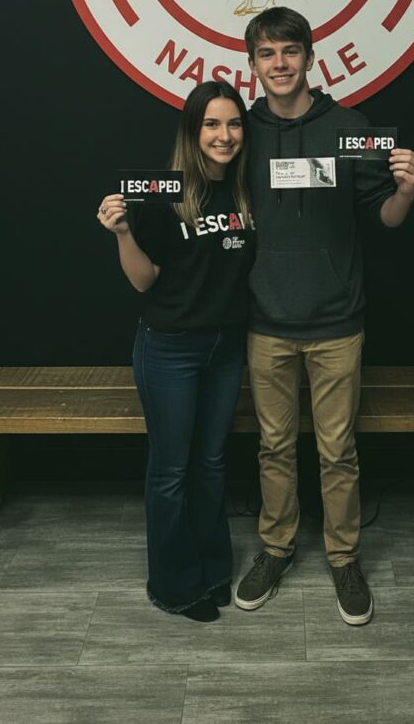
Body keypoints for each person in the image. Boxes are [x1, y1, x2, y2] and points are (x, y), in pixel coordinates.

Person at [234, 7, 414, 626]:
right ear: (254, 64)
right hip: (266, 319)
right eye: (267, 54)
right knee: (273, 447)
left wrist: (406, 190)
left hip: (338, 321)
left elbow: (385, 220)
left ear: (310, 57)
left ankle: (344, 558)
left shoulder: (350, 128)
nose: (279, 64)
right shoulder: (242, 131)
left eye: (289, 51)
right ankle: (275, 549)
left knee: (339, 451)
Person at [97, 81, 255, 623]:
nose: (224, 134)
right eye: (211, 124)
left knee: (211, 465)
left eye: (233, 123)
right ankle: (171, 584)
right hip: (169, 347)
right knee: (171, 471)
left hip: (226, 346)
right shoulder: (166, 193)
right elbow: (144, 282)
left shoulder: (245, 190)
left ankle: (211, 571)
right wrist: (121, 233)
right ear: (193, 131)